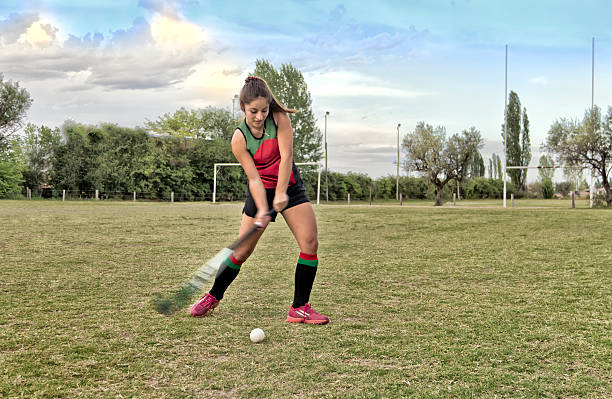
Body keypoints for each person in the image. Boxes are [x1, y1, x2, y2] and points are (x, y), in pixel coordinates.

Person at [189, 76, 329, 325]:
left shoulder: (279, 119)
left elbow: (286, 158)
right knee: (242, 251)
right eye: (253, 111)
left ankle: (299, 308)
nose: (259, 116)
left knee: (309, 241)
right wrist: (264, 206)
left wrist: (281, 193)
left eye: (264, 110)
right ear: (243, 108)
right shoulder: (239, 139)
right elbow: (253, 179)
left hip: (289, 185)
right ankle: (213, 296)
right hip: (260, 188)